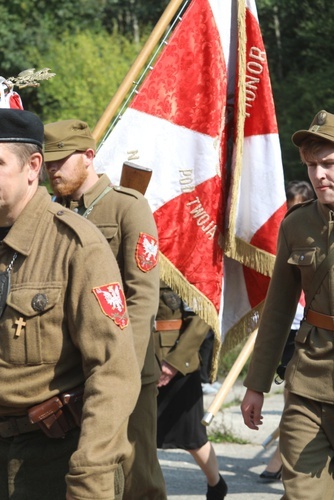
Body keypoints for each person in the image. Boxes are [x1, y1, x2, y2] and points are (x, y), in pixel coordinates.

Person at [0, 108, 140, 498]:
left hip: (55, 456)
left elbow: (113, 371)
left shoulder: (76, 245)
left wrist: (91, 472)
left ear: (33, 166)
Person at [43, 119, 165, 499]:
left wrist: (120, 366)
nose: (52, 170)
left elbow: (142, 295)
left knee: (135, 473)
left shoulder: (128, 207)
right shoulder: (50, 214)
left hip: (125, 363)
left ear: (89, 156)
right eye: (47, 164)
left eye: (61, 161)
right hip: (67, 368)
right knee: (78, 471)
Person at [241, 109, 334, 498]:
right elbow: (277, 309)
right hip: (308, 381)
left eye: (328, 164)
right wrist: (256, 384)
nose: (318, 175)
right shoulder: (297, 224)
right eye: (312, 166)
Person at [256, 179, 315, 482]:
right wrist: (256, 384)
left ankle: (283, 456)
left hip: (312, 326)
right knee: (293, 393)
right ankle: (283, 455)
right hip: (295, 332)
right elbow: (279, 302)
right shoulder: (291, 229)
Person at [154, 282, 227, 499]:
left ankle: (216, 483)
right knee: (139, 435)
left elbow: (202, 316)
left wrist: (175, 362)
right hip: (142, 358)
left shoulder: (187, 262)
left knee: (192, 436)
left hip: (177, 363)